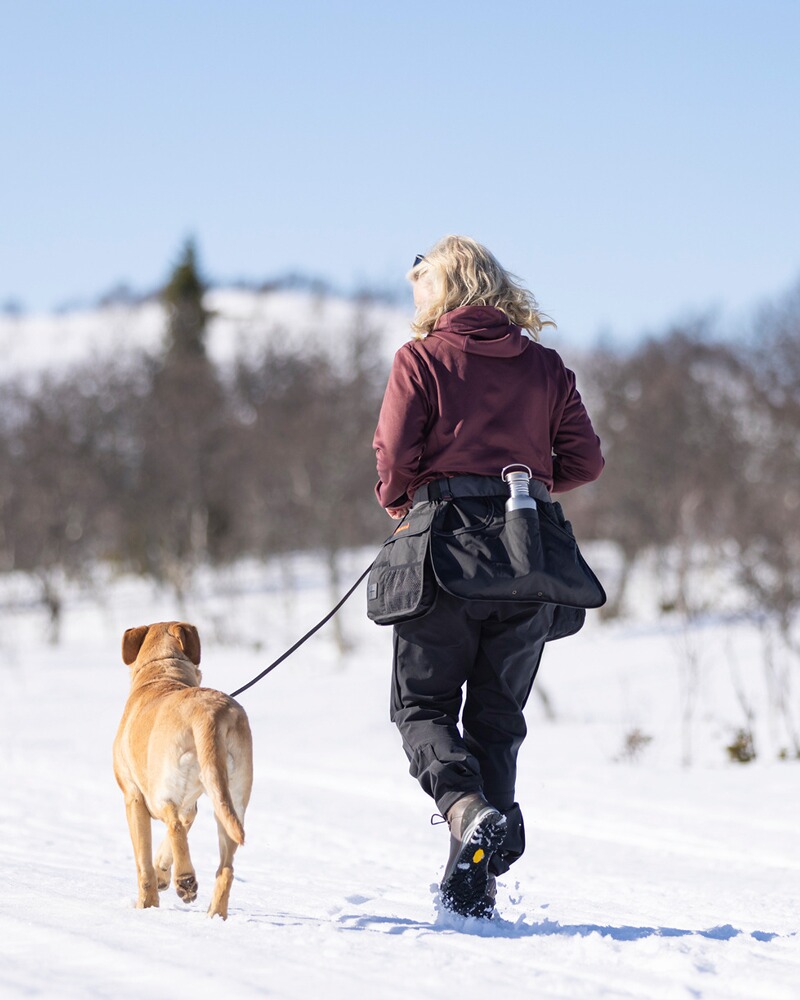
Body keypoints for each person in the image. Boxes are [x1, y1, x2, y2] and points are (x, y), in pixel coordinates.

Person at [372, 235, 604, 918]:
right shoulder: (546, 367)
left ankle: (467, 807)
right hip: (527, 556)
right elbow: (585, 460)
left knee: (421, 709)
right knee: (497, 720)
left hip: (443, 554)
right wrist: (523, 485)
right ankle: (473, 886)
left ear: (443, 290)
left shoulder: (420, 358)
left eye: (420, 288)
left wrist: (405, 503)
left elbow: (393, 455)